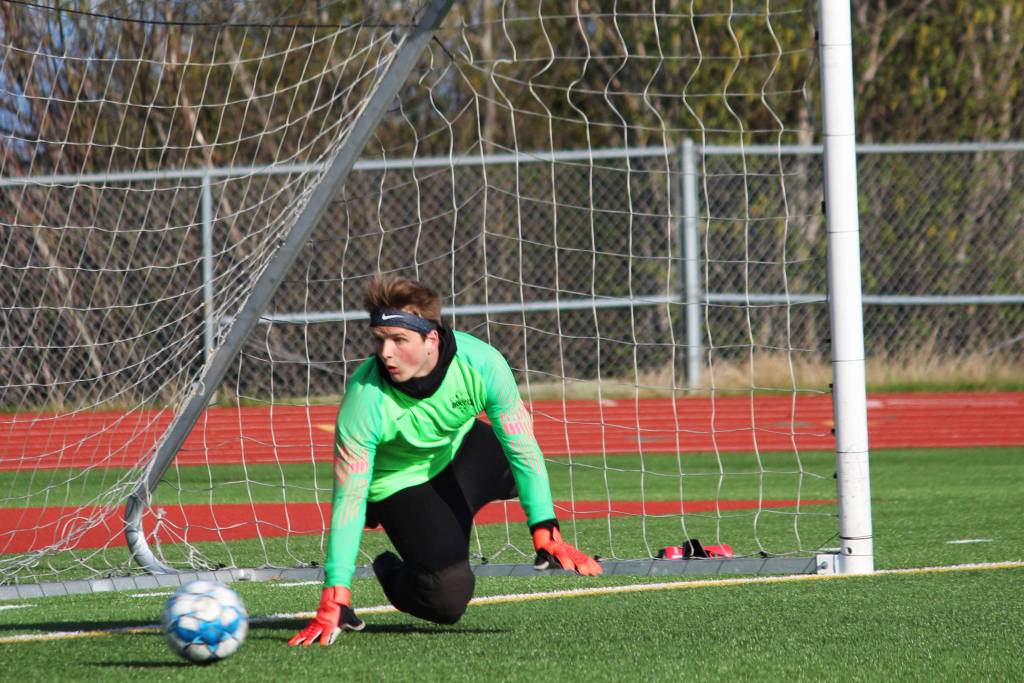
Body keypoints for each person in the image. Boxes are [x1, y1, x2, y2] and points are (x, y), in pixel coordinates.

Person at [289, 275, 601, 646]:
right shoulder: (364, 399)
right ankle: (391, 567)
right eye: (379, 339)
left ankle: (465, 513)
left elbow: (523, 449)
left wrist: (545, 529)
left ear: (431, 338)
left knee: (521, 465)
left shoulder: (482, 364)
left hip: (461, 449)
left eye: (399, 340)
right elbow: (348, 499)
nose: (385, 352)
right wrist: (335, 593)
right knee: (446, 600)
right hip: (401, 481)